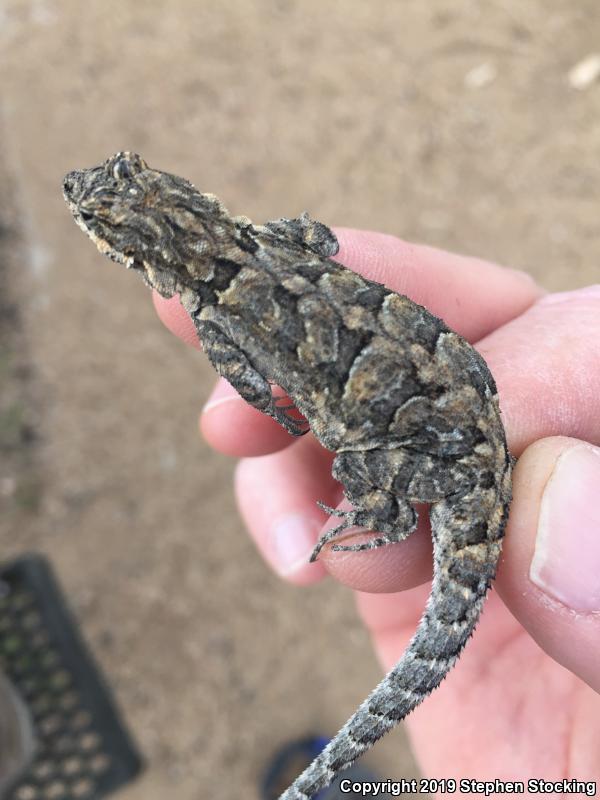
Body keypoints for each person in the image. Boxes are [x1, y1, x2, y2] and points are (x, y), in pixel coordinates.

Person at [155, 229, 600, 787]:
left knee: (351, 465)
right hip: (460, 402)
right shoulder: (268, 239)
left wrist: (295, 409)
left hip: (445, 459)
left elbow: (255, 389)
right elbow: (320, 238)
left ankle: (389, 518)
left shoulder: (212, 312)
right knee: (353, 456)